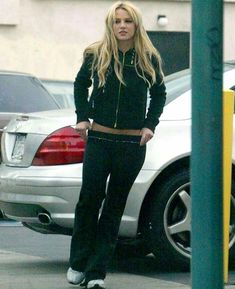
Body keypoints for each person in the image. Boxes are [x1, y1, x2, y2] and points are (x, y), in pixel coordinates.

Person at [67, 1, 166, 288]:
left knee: (114, 206)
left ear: (136, 25)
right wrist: (82, 117)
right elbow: (79, 84)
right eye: (117, 21)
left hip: (130, 145)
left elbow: (159, 93)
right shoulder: (96, 54)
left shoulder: (149, 57)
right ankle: (78, 262)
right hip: (99, 139)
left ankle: (97, 272)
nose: (122, 25)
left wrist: (150, 125)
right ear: (111, 25)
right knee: (89, 201)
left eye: (128, 21)